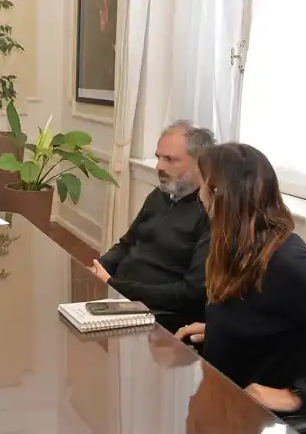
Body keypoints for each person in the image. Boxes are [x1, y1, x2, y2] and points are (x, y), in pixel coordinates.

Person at [175, 143, 306, 415]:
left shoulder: (292, 264)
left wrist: (294, 397)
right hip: (223, 398)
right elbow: (268, 319)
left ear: (220, 194)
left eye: (203, 185)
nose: (199, 196)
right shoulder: (240, 246)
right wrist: (222, 332)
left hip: (259, 419)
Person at [89, 121, 215, 332]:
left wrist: (115, 285)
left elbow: (191, 293)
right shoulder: (159, 195)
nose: (159, 167)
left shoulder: (210, 213)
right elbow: (126, 244)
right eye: (158, 157)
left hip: (158, 313)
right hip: (121, 295)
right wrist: (98, 268)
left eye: (170, 159)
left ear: (200, 164)